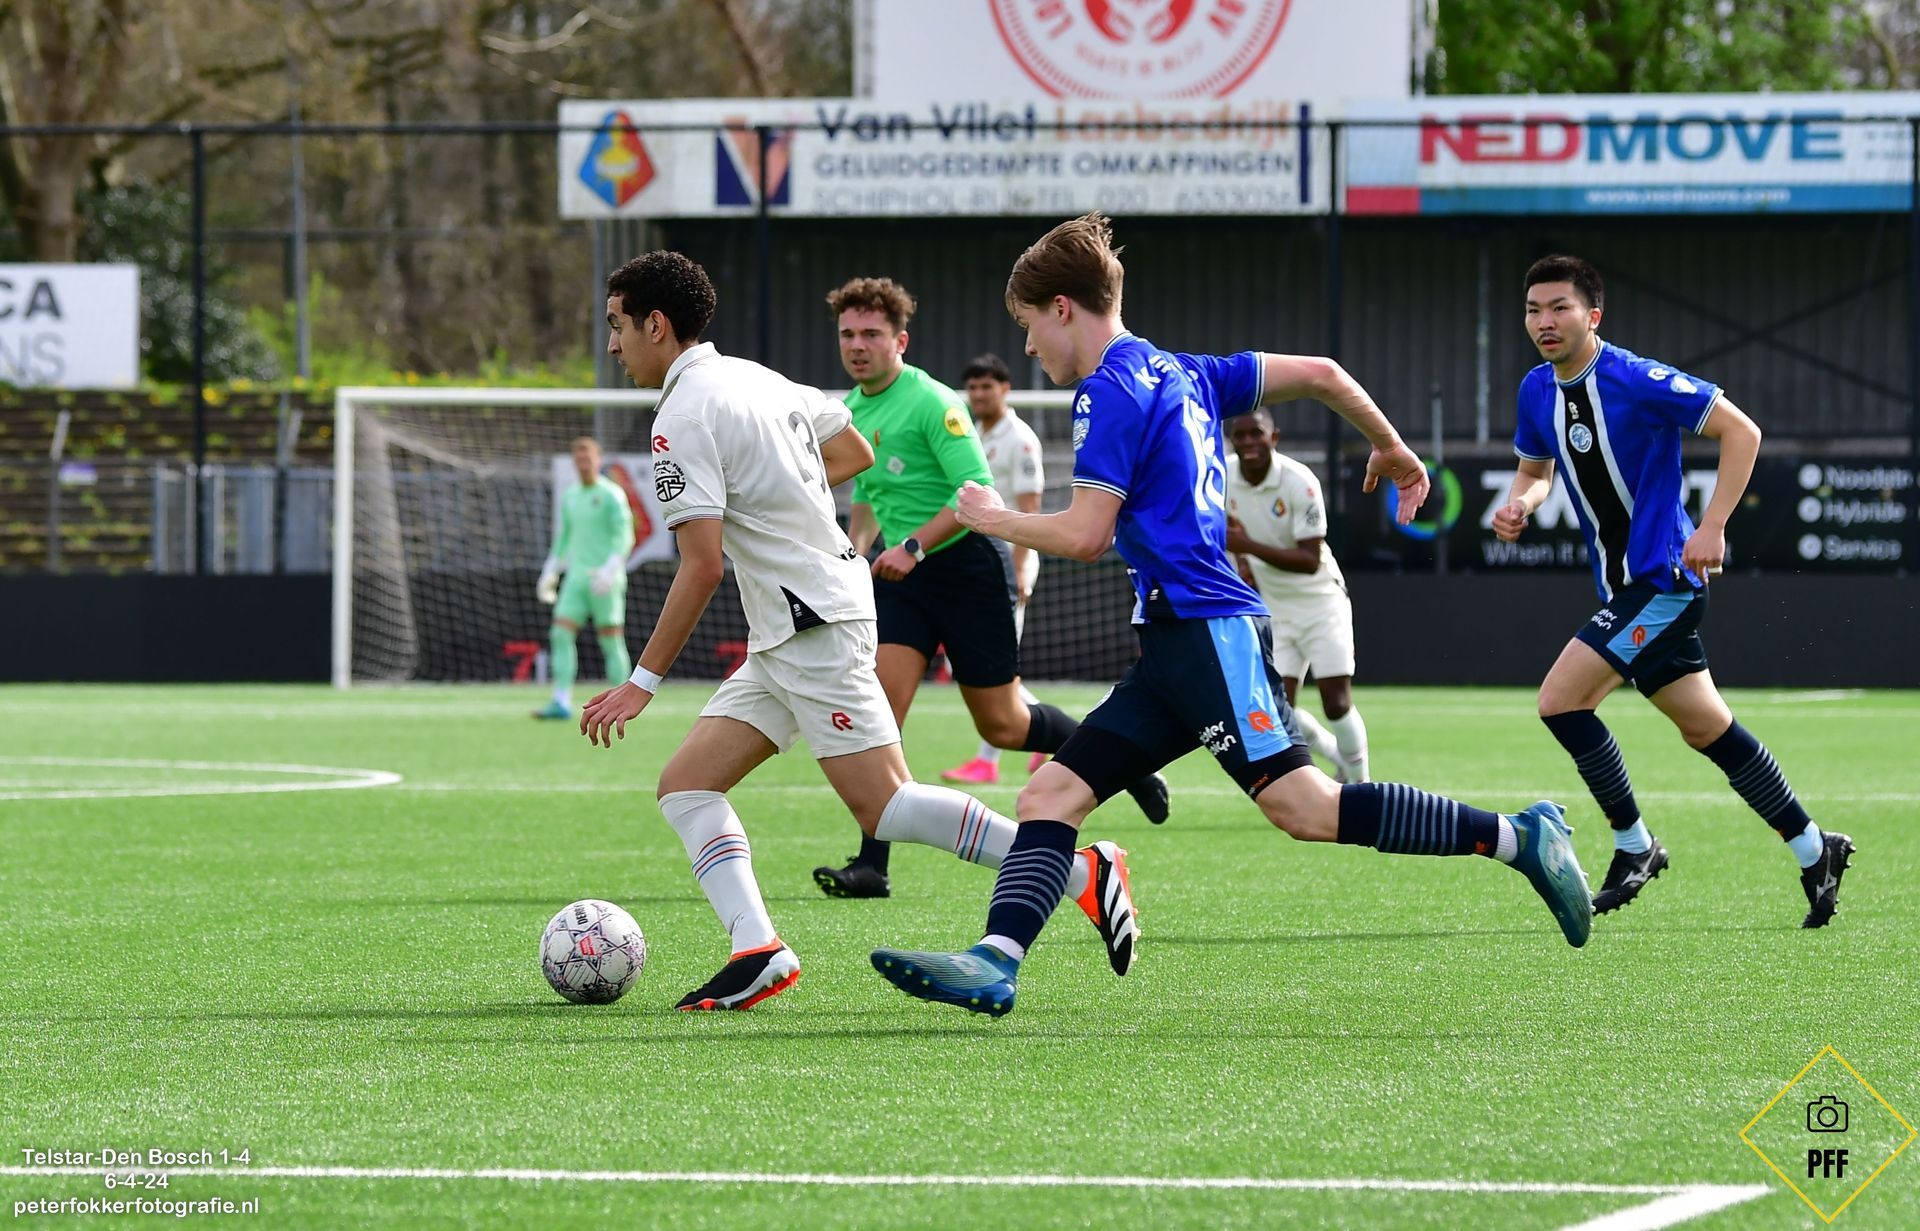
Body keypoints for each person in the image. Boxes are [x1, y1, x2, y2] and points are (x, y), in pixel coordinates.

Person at [869, 214, 1594, 1019]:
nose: (1031, 346)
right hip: (1171, 645)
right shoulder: (1190, 371)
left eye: (1030, 324)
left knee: (1305, 807)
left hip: (1209, 631)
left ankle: (1519, 837)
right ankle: (995, 961)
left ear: (1063, 308)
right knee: (1049, 795)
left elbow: (1085, 534)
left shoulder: (1108, 391)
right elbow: (1322, 373)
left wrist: (991, 517)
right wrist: (1390, 446)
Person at [579, 251, 1140, 1011]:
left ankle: (1079, 872)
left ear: (656, 324)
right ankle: (757, 948)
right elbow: (854, 451)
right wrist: (780, 493)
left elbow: (702, 565)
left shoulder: (680, 415)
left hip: (812, 621)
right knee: (686, 786)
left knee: (888, 808)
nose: (613, 344)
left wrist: (641, 683)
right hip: (790, 628)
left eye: (617, 325)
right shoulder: (758, 378)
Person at [1497, 254, 1852, 927]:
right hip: (1624, 589)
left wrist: (1713, 526)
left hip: (1664, 582)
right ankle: (1815, 848)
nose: (1544, 321)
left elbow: (1741, 431)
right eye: (1534, 309)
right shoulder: (1536, 389)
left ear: (1592, 315)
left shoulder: (1635, 378)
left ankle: (1635, 845)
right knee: (1707, 729)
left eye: (1559, 307)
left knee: (1560, 701)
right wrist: (1522, 502)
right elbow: (1535, 470)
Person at [813, 277, 1168, 902]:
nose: (857, 346)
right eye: (847, 334)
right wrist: (853, 551)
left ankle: (1125, 762)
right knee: (881, 712)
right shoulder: (852, 412)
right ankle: (872, 865)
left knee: (1005, 725)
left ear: (901, 341)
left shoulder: (933, 402)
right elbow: (866, 497)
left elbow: (976, 494)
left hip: (965, 571)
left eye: (871, 334)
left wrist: (912, 546)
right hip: (902, 581)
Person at [1224, 409, 1369, 783]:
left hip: (1321, 602)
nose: (1248, 442)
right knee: (1276, 709)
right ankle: (1336, 756)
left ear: (1274, 437)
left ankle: (1362, 785)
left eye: (1256, 433)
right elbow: (1222, 533)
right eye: (1240, 435)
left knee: (1336, 702)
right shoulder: (1223, 477)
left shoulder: (1299, 481)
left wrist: (1247, 547)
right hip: (1274, 608)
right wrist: (1241, 563)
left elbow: (1308, 560)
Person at [942, 353, 1051, 786]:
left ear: (1005, 389)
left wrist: (1020, 569)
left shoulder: (1020, 439)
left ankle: (990, 759)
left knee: (992, 665)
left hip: (1008, 563)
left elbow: (1031, 509)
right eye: (973, 387)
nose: (979, 394)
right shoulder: (972, 432)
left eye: (987, 386)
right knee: (974, 663)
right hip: (977, 564)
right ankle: (1045, 735)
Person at [532, 436, 635, 719]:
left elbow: (625, 535)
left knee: (611, 640)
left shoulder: (612, 494)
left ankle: (620, 702)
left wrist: (610, 568)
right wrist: (551, 569)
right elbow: (564, 537)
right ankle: (561, 700)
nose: (583, 464)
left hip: (605, 579)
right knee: (560, 633)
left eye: (588, 459)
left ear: (598, 461)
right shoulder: (571, 496)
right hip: (576, 578)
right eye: (579, 460)